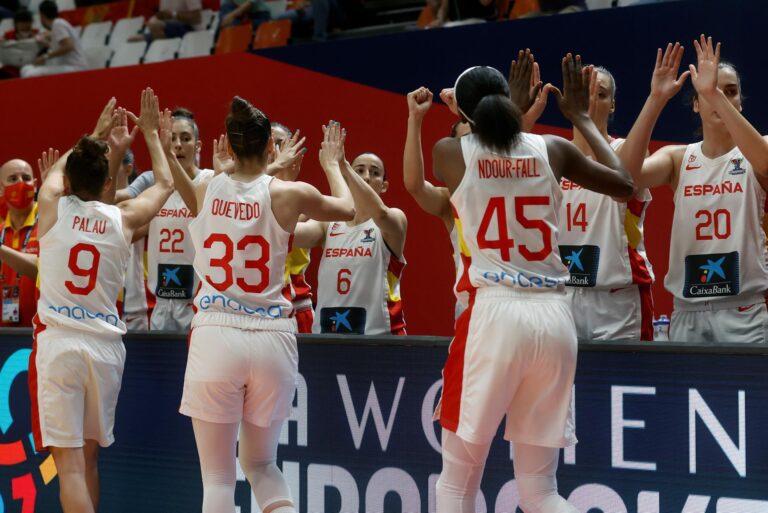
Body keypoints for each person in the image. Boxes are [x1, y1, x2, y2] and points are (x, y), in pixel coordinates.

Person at [430, 55, 635, 513]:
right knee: (540, 492)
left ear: (461, 114)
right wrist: (581, 117)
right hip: (555, 318)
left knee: (457, 483)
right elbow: (625, 183)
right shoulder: (552, 148)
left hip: (495, 315)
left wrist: (499, 113)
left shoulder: (450, 154)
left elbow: (483, 141)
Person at [176, 97, 354, 513]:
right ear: (271, 149)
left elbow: (209, 183)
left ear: (230, 148)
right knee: (262, 465)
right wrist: (332, 166)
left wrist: (155, 138)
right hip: (273, 333)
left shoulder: (205, 184)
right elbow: (347, 209)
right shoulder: (290, 194)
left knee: (218, 478)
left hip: (218, 330)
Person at [30, 88, 173, 513]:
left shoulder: (51, 206)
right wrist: (150, 135)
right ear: (109, 183)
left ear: (70, 181)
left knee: (69, 468)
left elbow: (54, 178)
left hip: (61, 344)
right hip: (106, 349)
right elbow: (165, 183)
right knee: (91, 456)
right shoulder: (124, 219)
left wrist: (92, 134)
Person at [619, 36, 768, 343]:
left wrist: (713, 92)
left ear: (740, 102)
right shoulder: (679, 158)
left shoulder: (757, 151)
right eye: (712, 92)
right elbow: (626, 177)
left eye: (731, 92)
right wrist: (656, 99)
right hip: (687, 310)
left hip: (744, 310)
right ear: (696, 104)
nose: (721, 98)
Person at [558, 63, 656, 341]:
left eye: (600, 95)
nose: (591, 101)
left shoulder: (626, 151)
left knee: (627, 382)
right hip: (562, 296)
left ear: (612, 105)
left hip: (618, 299)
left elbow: (623, 185)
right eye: (584, 93)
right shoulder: (553, 154)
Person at [296, 136, 408, 335]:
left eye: (375, 173)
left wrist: (344, 165)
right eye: (360, 171)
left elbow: (381, 213)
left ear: (384, 186)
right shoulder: (327, 224)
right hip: (328, 337)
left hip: (381, 337)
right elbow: (290, 235)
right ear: (348, 180)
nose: (366, 177)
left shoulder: (394, 219)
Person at [116, 108, 212, 331]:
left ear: (198, 146)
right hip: (158, 304)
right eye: (173, 138)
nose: (178, 144)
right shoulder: (155, 186)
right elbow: (130, 229)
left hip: (197, 303)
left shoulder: (209, 180)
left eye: (186, 138)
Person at [0, 158, 38, 327]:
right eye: (13, 179)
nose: (21, 183)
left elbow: (44, 269)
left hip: (42, 332)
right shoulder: (1, 230)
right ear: (1, 188)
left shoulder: (50, 223)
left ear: (35, 185)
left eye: (26, 177)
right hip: (5, 334)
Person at [20, 0, 87, 78]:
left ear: (42, 16)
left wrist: (45, 57)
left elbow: (68, 46)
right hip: (66, 66)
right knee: (25, 69)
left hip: (74, 67)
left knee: (30, 74)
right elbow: (61, 46)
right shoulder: (58, 24)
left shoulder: (57, 24)